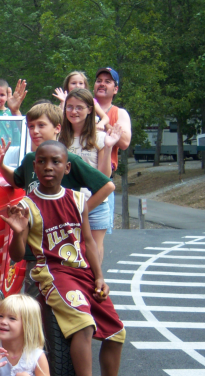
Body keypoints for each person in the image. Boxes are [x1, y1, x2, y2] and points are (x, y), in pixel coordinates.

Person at [2, 140, 157, 376]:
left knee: (116, 332)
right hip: (52, 271)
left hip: (83, 271)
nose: (49, 167)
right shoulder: (25, 206)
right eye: (43, 162)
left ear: (67, 167)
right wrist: (19, 233)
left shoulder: (77, 198)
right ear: (34, 167)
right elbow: (17, 255)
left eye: (56, 162)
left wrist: (99, 276)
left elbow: (86, 241)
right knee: (83, 322)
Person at [59, 88, 123, 263]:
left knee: (93, 248)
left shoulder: (100, 137)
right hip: (66, 204)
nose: (74, 112)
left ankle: (95, 283)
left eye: (79, 107)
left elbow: (104, 176)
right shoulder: (59, 137)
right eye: (70, 107)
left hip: (94, 202)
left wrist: (109, 147)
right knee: (67, 249)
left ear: (89, 109)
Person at [93, 67, 132, 228]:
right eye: (99, 81)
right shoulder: (80, 109)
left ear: (115, 89)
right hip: (77, 176)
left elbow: (124, 142)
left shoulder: (119, 113)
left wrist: (104, 120)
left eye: (108, 82)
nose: (102, 84)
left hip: (102, 179)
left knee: (99, 235)